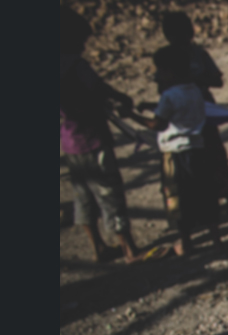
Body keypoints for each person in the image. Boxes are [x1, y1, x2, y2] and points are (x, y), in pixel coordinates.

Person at [60, 7, 140, 263]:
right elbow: (98, 88)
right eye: (81, 41)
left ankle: (98, 247)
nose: (83, 47)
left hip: (71, 143)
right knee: (110, 193)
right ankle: (128, 248)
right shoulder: (77, 65)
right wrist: (119, 97)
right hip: (94, 139)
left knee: (83, 197)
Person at [130, 45, 221, 257]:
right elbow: (180, 107)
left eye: (160, 70)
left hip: (175, 153)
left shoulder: (169, 96)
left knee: (179, 198)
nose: (157, 75)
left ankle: (187, 242)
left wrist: (133, 116)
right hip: (198, 149)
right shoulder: (195, 90)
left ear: (169, 71)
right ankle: (217, 240)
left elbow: (158, 125)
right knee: (206, 195)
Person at [161, 11, 228, 210]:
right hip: (181, 114)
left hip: (203, 108)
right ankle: (202, 202)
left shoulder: (199, 55)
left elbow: (217, 80)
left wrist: (193, 80)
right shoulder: (166, 58)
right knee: (192, 157)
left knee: (213, 152)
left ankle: (227, 196)